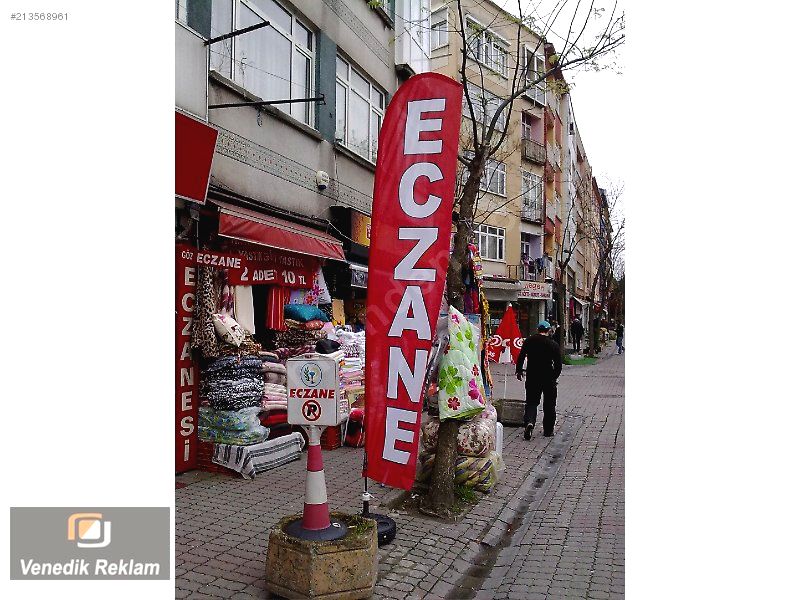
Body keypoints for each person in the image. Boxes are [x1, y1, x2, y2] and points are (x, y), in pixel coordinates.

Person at [516, 321, 562, 440]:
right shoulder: (553, 344)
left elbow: (521, 356)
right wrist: (554, 377)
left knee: (531, 402)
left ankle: (529, 422)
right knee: (549, 404)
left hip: (532, 376)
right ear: (548, 330)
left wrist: (519, 370)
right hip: (548, 377)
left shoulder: (529, 341)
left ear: (538, 329)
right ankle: (548, 430)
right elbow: (558, 365)